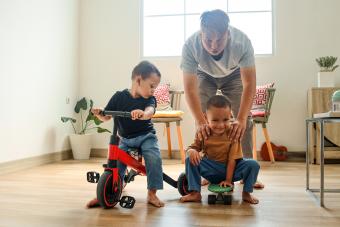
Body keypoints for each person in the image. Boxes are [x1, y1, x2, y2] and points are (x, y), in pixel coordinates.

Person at [87, 60, 164, 208]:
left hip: (146, 137)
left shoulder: (149, 99)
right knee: (116, 162)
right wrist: (99, 113)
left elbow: (150, 112)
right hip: (125, 139)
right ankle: (108, 191)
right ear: (139, 80)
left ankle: (152, 194)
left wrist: (143, 113)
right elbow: (106, 117)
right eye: (152, 86)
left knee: (153, 157)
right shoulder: (119, 97)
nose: (154, 90)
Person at [181, 9, 256, 158]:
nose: (214, 46)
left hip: (234, 74)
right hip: (204, 74)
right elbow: (190, 90)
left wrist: (240, 119)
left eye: (219, 40)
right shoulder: (190, 46)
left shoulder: (242, 42)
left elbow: (249, 84)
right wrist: (201, 121)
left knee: (244, 121)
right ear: (201, 34)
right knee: (201, 120)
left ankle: (246, 169)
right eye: (208, 40)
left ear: (227, 34)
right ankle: (205, 167)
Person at [180, 95, 260, 204]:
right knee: (189, 159)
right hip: (211, 170)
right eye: (215, 120)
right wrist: (191, 151)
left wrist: (228, 180)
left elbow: (233, 160)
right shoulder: (204, 132)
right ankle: (195, 193)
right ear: (205, 118)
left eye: (226, 120)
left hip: (231, 170)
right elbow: (192, 147)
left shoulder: (233, 133)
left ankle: (246, 193)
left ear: (231, 116)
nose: (221, 125)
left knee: (253, 164)